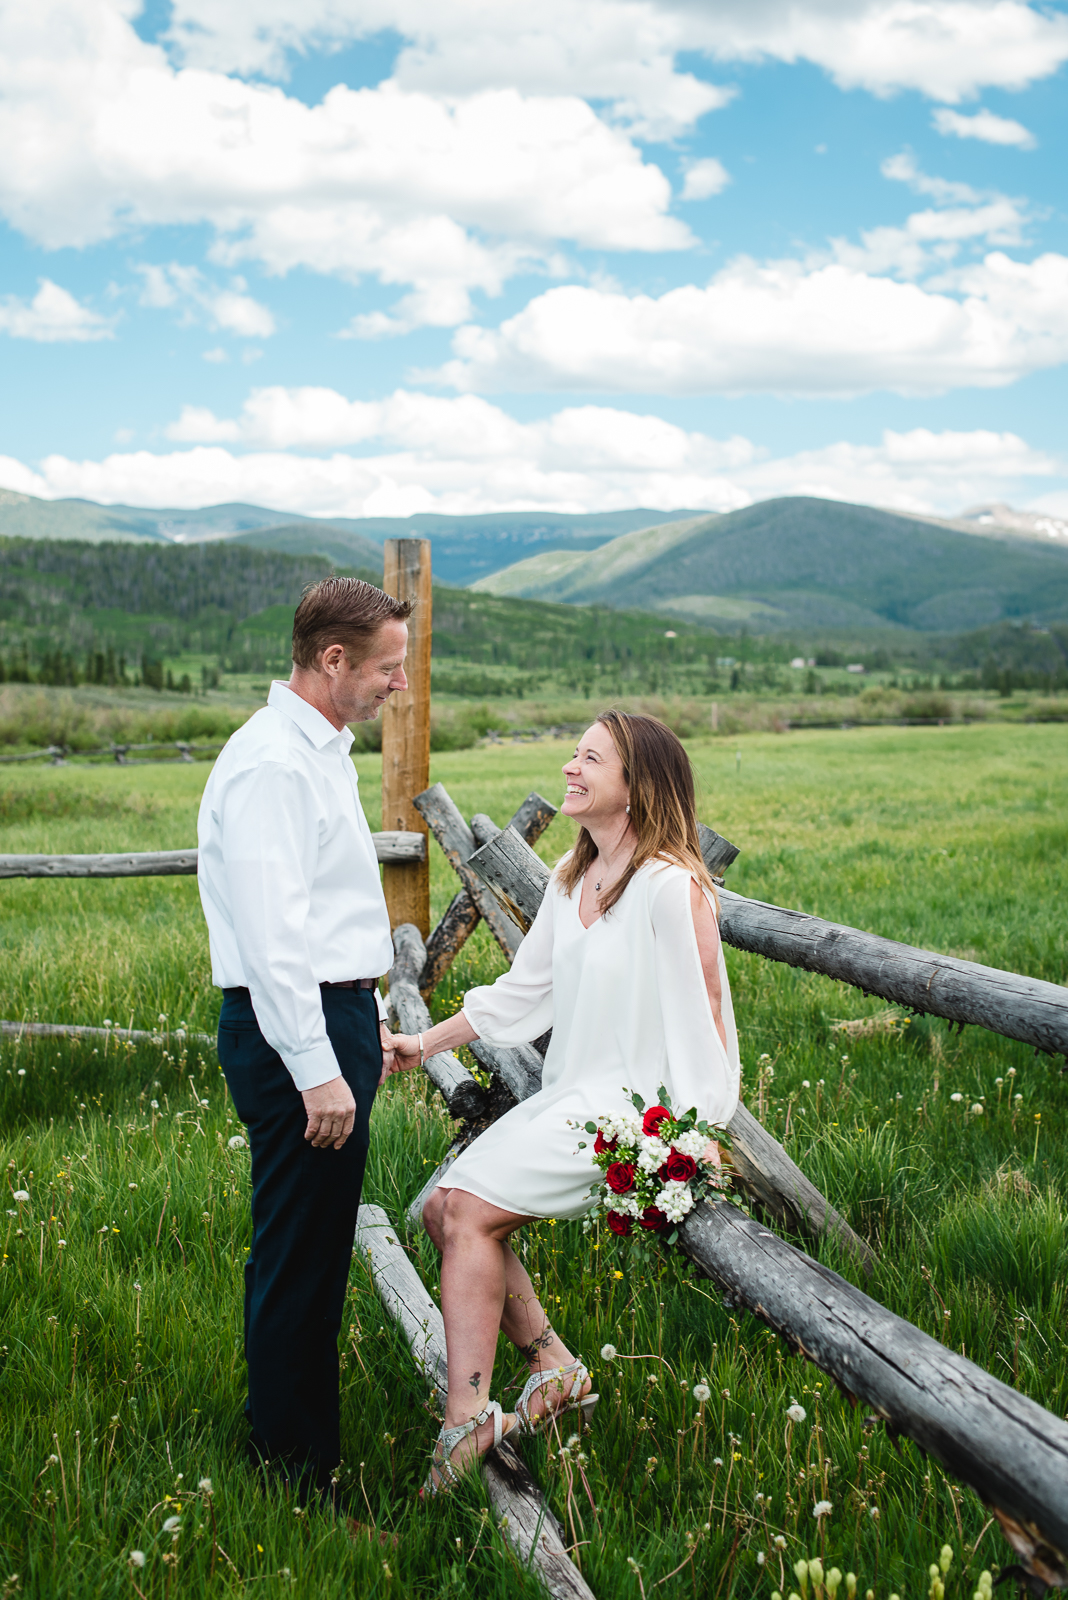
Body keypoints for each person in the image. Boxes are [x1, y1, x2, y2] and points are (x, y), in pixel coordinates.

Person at [385, 710, 740, 1493]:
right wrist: (424, 1043)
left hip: (635, 1115)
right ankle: (553, 1366)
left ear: (637, 786)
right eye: (574, 754)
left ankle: (466, 1420)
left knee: (465, 1211)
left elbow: (708, 1014)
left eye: (591, 759)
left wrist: (696, 1130)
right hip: (573, 1093)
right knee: (444, 1209)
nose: (570, 768)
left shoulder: (670, 888)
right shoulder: (572, 878)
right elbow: (523, 993)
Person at [197, 575, 411, 1506]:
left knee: (310, 1248)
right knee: (300, 1257)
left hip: (330, 1017)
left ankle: (290, 1455)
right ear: (333, 660)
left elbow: (325, 914)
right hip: (299, 1031)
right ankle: (296, 1480)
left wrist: (366, 1017)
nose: (399, 684)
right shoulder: (273, 765)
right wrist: (320, 1069)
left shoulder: (320, 753)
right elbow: (273, 939)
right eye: (388, 667)